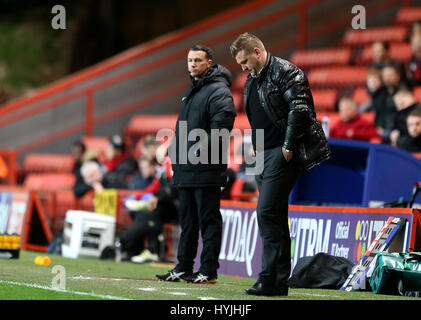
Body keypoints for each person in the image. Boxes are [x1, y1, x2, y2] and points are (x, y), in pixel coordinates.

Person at [229, 32, 331, 296]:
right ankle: (278, 283)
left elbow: (300, 110)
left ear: (257, 52)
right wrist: (255, 143)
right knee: (273, 216)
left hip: (281, 153)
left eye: (244, 61)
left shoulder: (287, 72)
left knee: (265, 212)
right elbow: (257, 115)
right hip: (261, 152)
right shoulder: (252, 79)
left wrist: (288, 146)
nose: (242, 68)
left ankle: (268, 278)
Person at [155, 44, 236, 283]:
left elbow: (222, 128)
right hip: (186, 168)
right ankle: (183, 267)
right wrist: (168, 147)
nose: (192, 64)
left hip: (207, 167)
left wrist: (196, 151)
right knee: (187, 220)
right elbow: (184, 130)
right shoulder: (191, 90)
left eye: (198, 60)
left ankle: (209, 270)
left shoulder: (219, 91)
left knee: (208, 219)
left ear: (209, 62)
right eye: (190, 60)